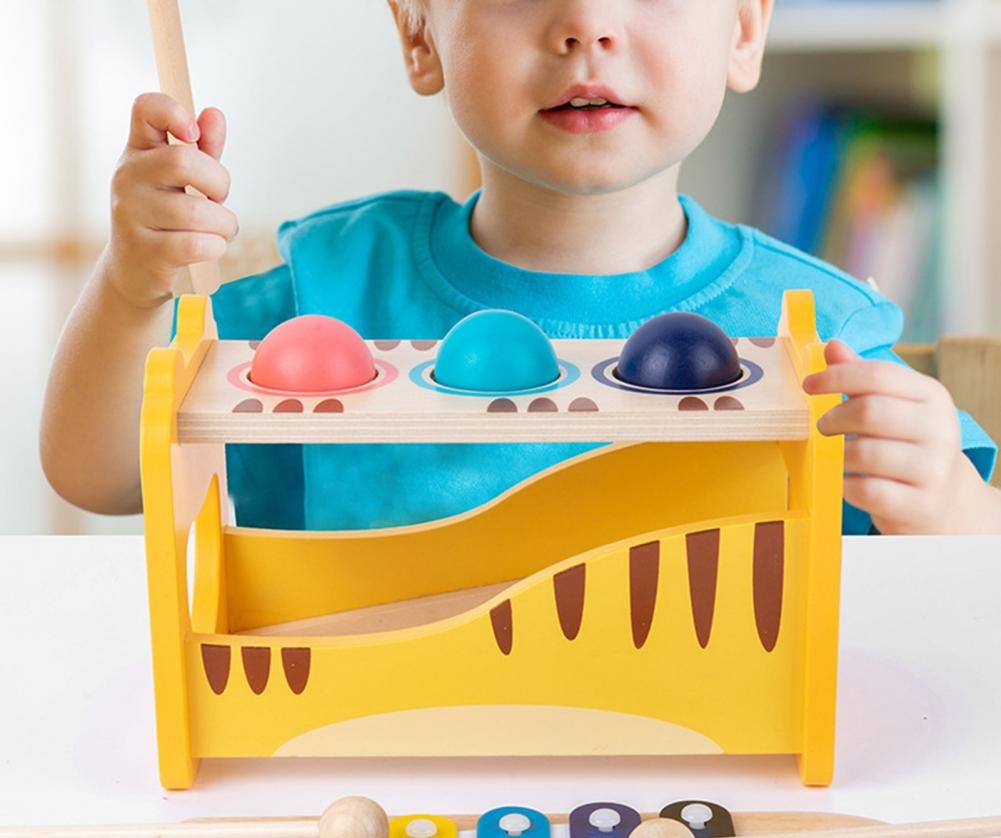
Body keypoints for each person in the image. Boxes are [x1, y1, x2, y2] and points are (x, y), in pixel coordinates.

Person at [41, 0, 1001, 534]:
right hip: (377, 775)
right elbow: (97, 474)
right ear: (419, 32)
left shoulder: (821, 325)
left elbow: (972, 575)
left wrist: (951, 504)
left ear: (743, 30)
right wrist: (133, 289)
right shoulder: (323, 289)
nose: (585, 24)